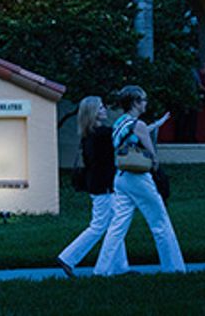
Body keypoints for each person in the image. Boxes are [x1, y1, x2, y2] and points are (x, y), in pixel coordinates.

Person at [94, 85, 184, 276]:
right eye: (143, 100)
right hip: (139, 178)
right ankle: (174, 269)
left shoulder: (119, 122)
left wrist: (155, 125)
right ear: (135, 102)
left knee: (117, 226)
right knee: (160, 222)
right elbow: (152, 155)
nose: (145, 103)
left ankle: (102, 270)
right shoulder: (139, 125)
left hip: (120, 177)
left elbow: (131, 136)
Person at [57, 96, 126, 276]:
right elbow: (125, 134)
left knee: (114, 225)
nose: (105, 110)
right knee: (100, 225)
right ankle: (68, 257)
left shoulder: (88, 135)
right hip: (104, 186)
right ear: (94, 112)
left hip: (98, 184)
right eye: (101, 107)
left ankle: (120, 268)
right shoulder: (102, 134)